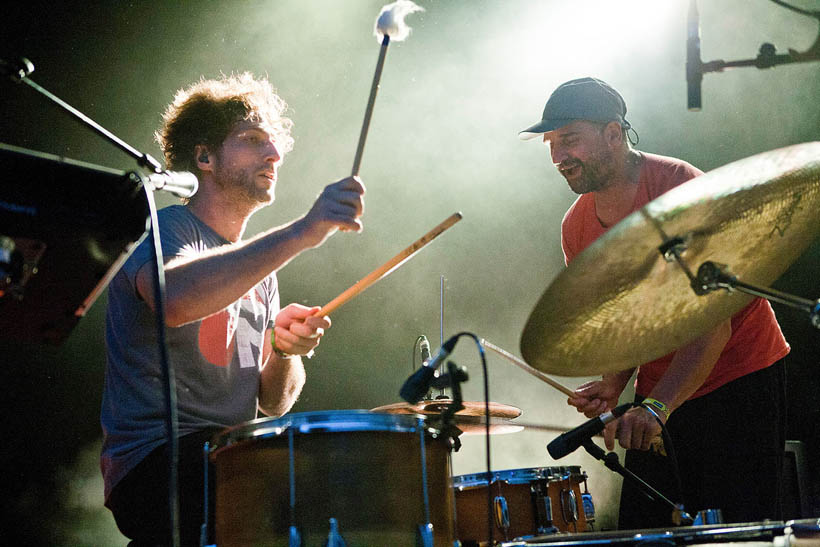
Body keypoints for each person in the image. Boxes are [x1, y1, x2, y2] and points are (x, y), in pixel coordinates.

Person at [100, 73, 365, 546]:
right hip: (159, 462)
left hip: (231, 457)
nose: (275, 155)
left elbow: (273, 401)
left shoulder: (259, 268)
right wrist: (304, 231)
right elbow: (175, 300)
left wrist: (285, 350)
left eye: (275, 143)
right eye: (252, 140)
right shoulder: (162, 229)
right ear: (204, 157)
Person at [520, 77, 789, 529]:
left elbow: (710, 327)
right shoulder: (575, 228)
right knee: (649, 530)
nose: (557, 158)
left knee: (738, 533)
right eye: (551, 144)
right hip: (662, 391)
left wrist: (657, 407)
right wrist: (614, 382)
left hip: (738, 376)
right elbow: (628, 321)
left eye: (569, 140)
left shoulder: (680, 188)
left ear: (612, 134)